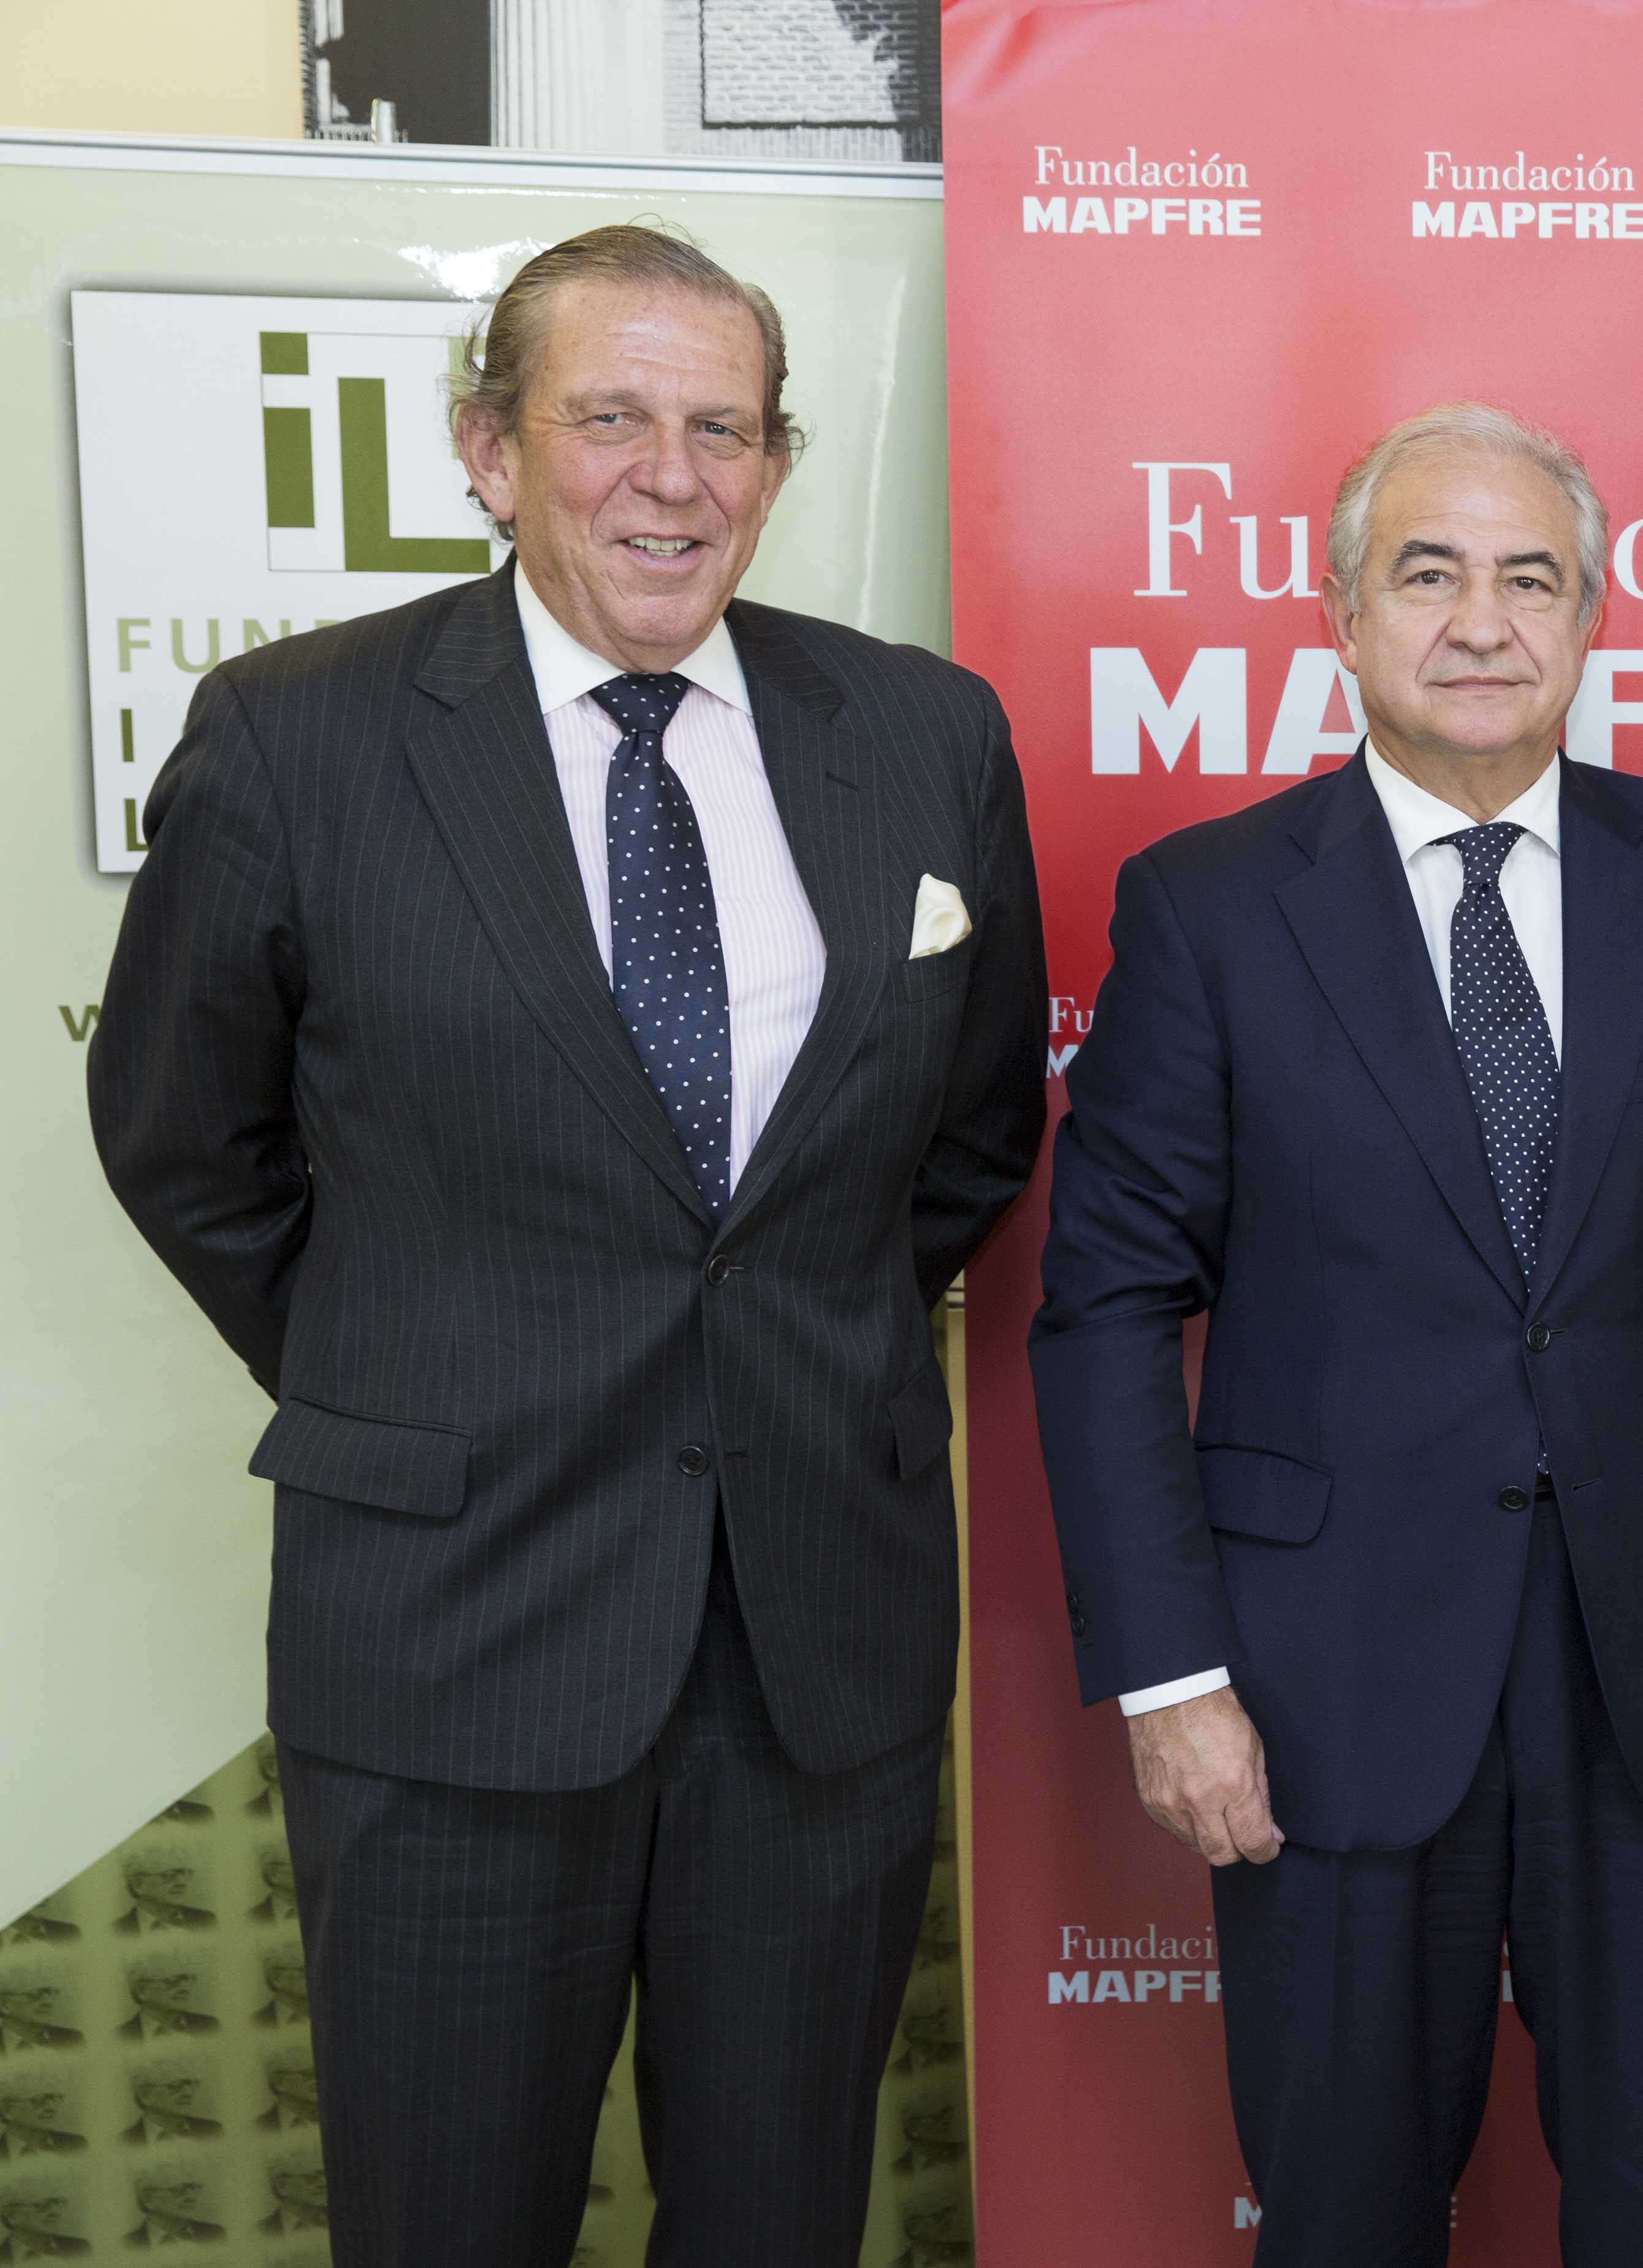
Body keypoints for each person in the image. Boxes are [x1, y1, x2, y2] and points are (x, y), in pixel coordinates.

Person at [86, 222, 1048, 2266]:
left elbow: (967, 1136)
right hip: (452, 1632)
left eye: (724, 428)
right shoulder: (299, 735)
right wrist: (410, 1369)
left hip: (817, 1654)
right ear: (488, 450)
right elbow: (183, 1138)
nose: (670, 477)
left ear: (775, 464)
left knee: (780, 2223)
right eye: (609, 417)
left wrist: (786, 1354)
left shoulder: (926, 734)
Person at [1032, 401, 1643, 2267]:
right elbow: (1104, 1312)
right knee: (1342, 2216)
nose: (1482, 621)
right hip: (1322, 1682)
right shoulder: (1208, 905)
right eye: (1429, 574)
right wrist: (1170, 1681)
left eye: (1529, 578)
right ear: (1340, 615)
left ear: (1590, 619)